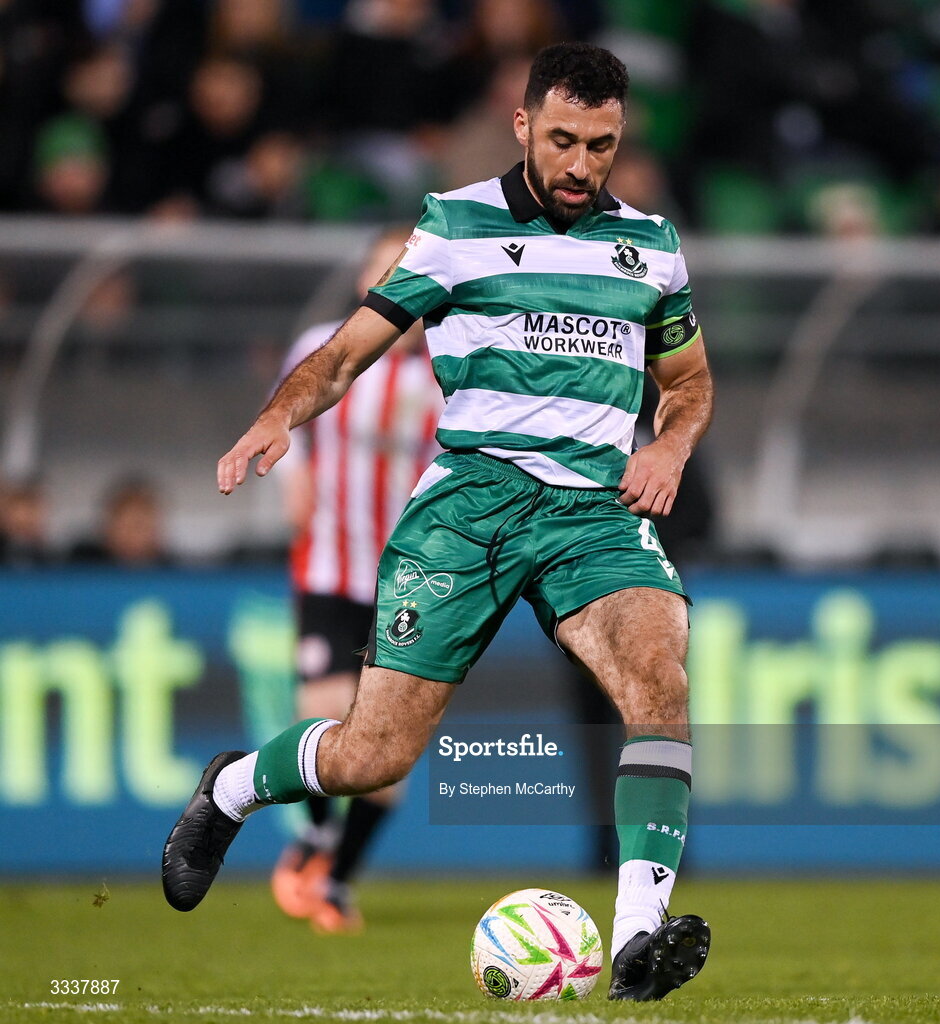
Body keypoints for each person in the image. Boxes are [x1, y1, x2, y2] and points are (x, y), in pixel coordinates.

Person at [164, 42, 714, 1003]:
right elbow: (345, 356)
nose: (582, 164)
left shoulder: (651, 245)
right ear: (522, 126)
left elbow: (690, 383)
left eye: (601, 144)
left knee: (659, 675)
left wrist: (666, 449)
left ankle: (637, 936)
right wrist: (274, 417)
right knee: (371, 757)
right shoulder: (454, 227)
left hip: (590, 512)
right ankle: (232, 788)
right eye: (562, 140)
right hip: (465, 511)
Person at [269, 227, 444, 933]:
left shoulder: (447, 367)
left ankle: (337, 882)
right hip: (329, 564)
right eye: (384, 270)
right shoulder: (323, 344)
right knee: (321, 712)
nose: (395, 281)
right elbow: (287, 420)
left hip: (410, 582)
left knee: (389, 749)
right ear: (364, 283)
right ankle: (315, 838)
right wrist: (291, 473)